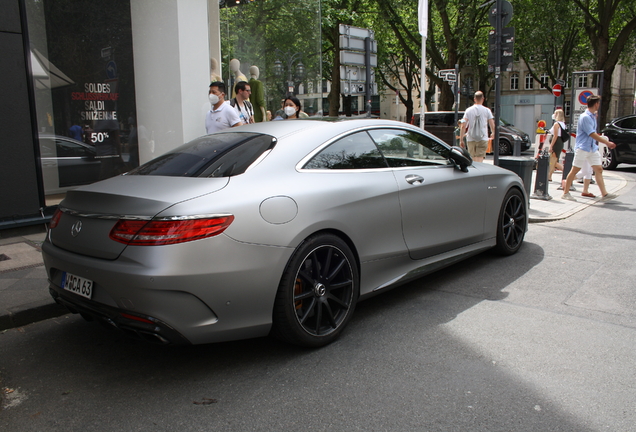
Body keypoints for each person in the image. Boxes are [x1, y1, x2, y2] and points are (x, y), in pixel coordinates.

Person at [561, 95, 617, 201]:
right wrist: (607, 142)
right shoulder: (585, 117)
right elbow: (592, 133)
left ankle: (604, 194)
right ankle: (565, 193)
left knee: (599, 169)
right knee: (575, 170)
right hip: (583, 147)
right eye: (599, 103)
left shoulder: (592, 116)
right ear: (596, 104)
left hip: (591, 147)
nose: (599, 105)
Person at [460, 91, 495, 162]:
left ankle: (473, 171)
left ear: (474, 99)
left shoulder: (468, 110)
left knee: (472, 158)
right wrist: (493, 132)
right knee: (480, 158)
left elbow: (463, 125)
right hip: (483, 137)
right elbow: (492, 123)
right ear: (483, 99)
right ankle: (478, 171)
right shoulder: (487, 110)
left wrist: (461, 139)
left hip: (470, 138)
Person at [548, 109, 566, 181]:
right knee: (553, 160)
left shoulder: (556, 124)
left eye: (555, 113)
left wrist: (551, 146)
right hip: (559, 142)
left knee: (554, 161)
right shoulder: (563, 124)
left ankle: (566, 171)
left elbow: (555, 136)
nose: (553, 115)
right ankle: (549, 176)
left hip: (556, 142)